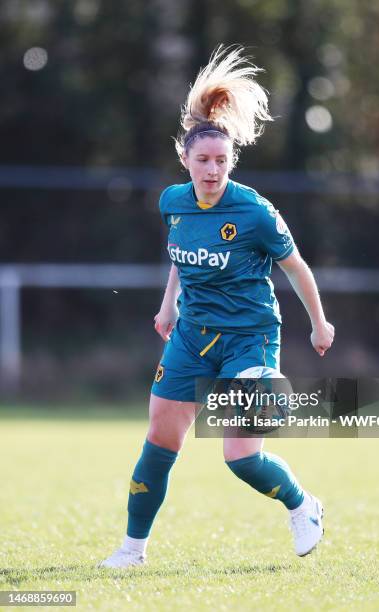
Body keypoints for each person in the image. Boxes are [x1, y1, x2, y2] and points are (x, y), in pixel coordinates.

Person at [100, 45, 334, 569]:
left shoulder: (254, 211)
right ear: (185, 159)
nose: (212, 170)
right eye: (202, 160)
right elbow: (182, 259)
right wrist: (168, 308)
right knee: (160, 436)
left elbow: (296, 267)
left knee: (240, 457)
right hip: (191, 336)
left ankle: (303, 505)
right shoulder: (172, 202)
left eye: (222, 161)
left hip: (250, 337)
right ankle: (132, 550)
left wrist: (320, 323)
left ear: (233, 161)